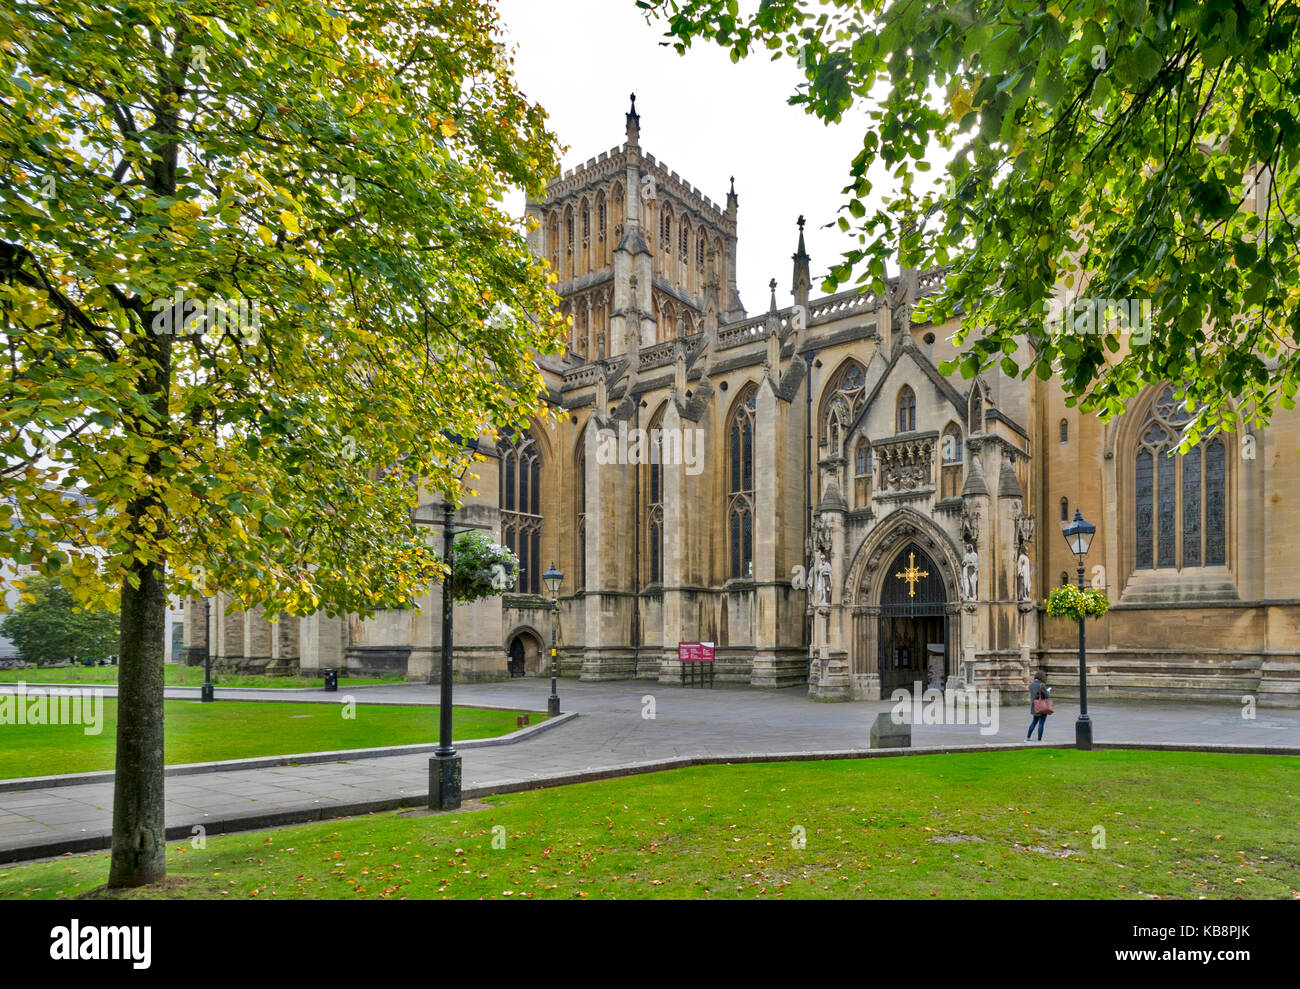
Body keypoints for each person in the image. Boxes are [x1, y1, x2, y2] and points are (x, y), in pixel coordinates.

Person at [1027, 671, 1051, 741]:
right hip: (1042, 706)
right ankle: (1039, 739)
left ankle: (1028, 738)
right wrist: (1048, 691)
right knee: (1041, 723)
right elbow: (1047, 696)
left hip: (1034, 705)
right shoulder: (1042, 685)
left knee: (1034, 722)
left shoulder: (1031, 684)